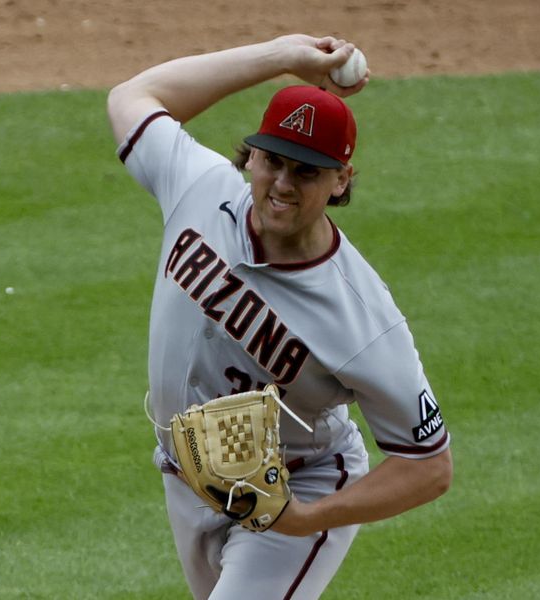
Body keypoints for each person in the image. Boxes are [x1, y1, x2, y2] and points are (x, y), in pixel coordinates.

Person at [107, 34, 453, 600]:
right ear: (253, 156)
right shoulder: (200, 186)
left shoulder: (361, 315)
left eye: (308, 171)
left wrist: (305, 518)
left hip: (298, 484)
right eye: (273, 161)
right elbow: (134, 95)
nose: (283, 185)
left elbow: (429, 466)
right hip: (186, 475)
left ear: (340, 180)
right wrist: (281, 57)